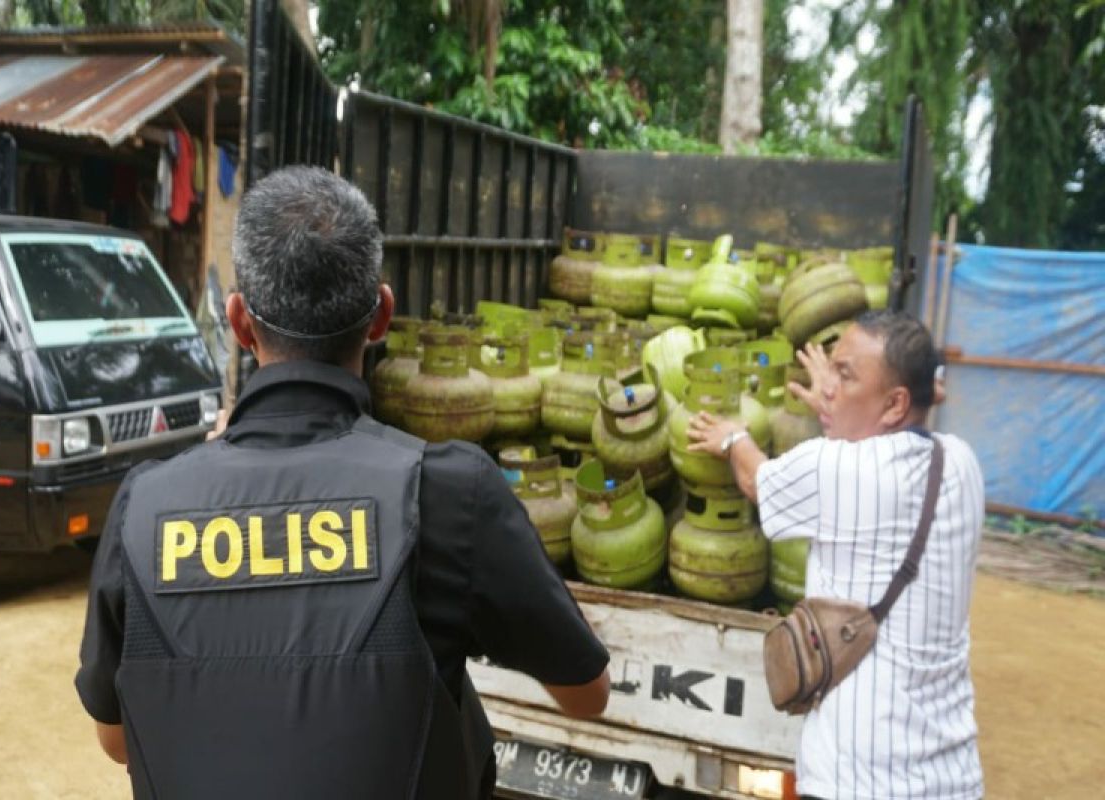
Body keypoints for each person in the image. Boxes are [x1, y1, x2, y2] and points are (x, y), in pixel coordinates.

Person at [75, 165, 611, 799]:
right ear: (381, 315)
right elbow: (586, 695)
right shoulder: (448, 494)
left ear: (240, 323)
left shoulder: (145, 506)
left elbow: (116, 739)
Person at [688, 311, 983, 800]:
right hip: (951, 778)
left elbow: (755, 480)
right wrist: (845, 400)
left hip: (857, 778)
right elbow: (907, 419)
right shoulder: (961, 463)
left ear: (894, 403)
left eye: (844, 376)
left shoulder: (834, 469)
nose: (826, 386)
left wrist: (734, 438)